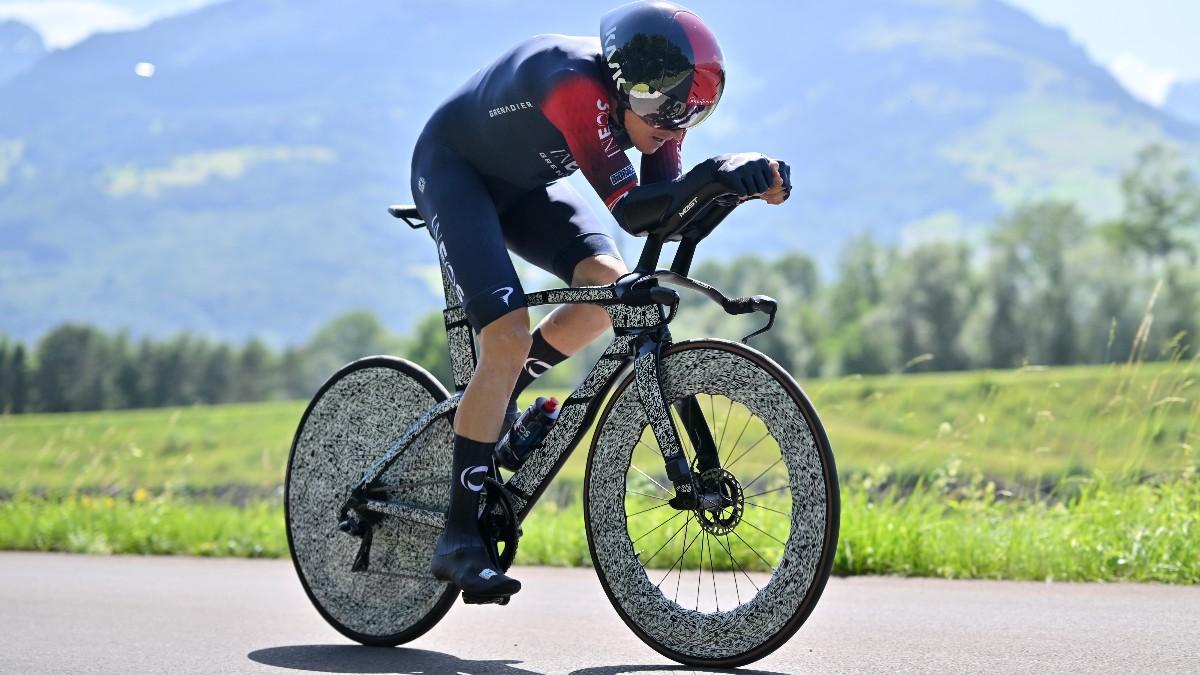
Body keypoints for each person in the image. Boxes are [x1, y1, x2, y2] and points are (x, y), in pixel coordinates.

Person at [409, 0, 791, 601]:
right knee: (505, 336)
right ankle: (457, 538)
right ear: (627, 89)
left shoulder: (654, 111)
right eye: (668, 112)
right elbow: (636, 213)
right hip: (457, 175)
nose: (676, 127)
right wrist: (719, 171)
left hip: (531, 185)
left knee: (608, 288)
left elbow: (668, 204)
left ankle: (499, 392)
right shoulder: (570, 84)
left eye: (694, 113)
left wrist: (740, 180)